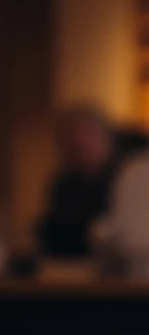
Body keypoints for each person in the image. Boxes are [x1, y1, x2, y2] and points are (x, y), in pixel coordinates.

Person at [37, 104, 118, 258]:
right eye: (73, 148)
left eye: (86, 145)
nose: (81, 154)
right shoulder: (62, 184)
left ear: (106, 140)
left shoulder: (126, 180)